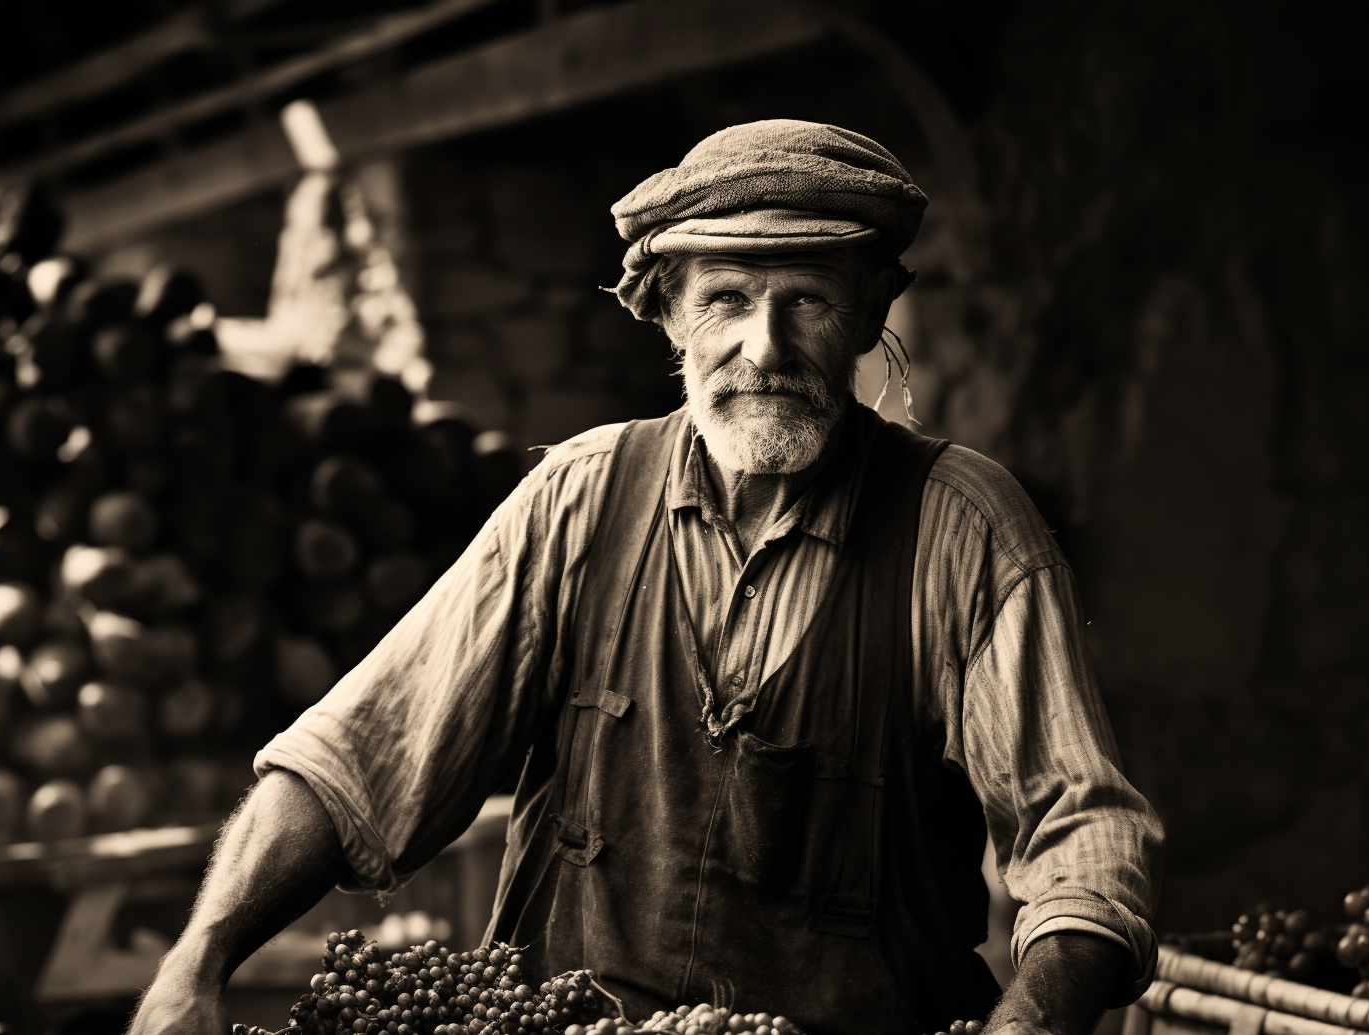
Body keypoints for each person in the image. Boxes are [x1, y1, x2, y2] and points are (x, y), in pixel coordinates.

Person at [130, 120, 1163, 1035]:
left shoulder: (965, 529)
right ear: (669, 315)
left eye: (807, 300)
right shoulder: (577, 500)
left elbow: (1084, 839)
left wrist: (1037, 1014)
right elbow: (361, 754)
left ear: (870, 311)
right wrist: (199, 959)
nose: (764, 347)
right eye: (727, 299)